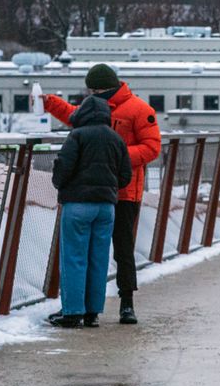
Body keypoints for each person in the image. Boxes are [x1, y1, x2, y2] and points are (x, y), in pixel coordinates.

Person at [43, 64, 161, 325]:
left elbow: (152, 148)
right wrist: (50, 103)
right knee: (98, 254)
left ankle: (125, 303)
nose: (92, 95)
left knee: (121, 250)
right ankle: (91, 310)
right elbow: (75, 115)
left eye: (94, 91)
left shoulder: (140, 110)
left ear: (103, 88)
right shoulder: (97, 112)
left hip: (124, 193)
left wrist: (108, 160)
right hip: (112, 190)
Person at [47, 95, 132, 328]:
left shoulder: (77, 136)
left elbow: (63, 166)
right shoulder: (116, 139)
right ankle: (93, 313)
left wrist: (60, 183)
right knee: (99, 259)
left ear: (82, 114)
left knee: (74, 258)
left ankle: (73, 312)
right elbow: (126, 175)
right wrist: (109, 187)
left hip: (78, 205)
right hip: (106, 207)